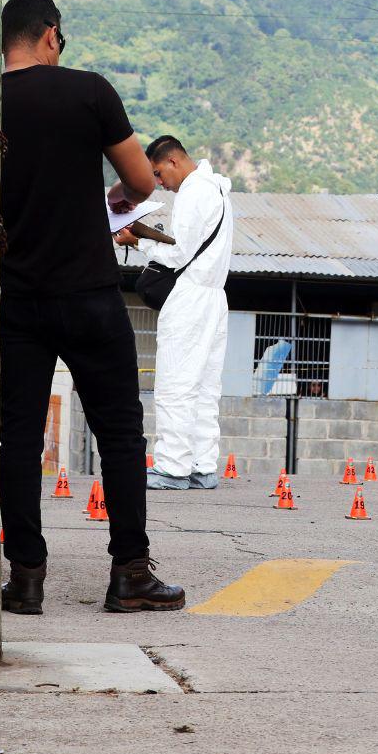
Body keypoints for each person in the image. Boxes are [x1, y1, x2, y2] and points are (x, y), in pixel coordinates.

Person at [0, 0, 183, 614]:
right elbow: (139, 180)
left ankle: (25, 578)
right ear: (51, 35)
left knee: (19, 439)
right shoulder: (89, 91)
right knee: (121, 435)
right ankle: (130, 572)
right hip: (87, 292)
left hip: (16, 297)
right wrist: (123, 201)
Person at [114, 136, 233, 490]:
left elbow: (178, 253)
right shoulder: (219, 190)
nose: (160, 183)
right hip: (214, 297)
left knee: (175, 384)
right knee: (205, 386)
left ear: (173, 162)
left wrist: (137, 241)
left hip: (191, 297)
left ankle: (173, 467)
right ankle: (202, 465)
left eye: (158, 173)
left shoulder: (193, 193)